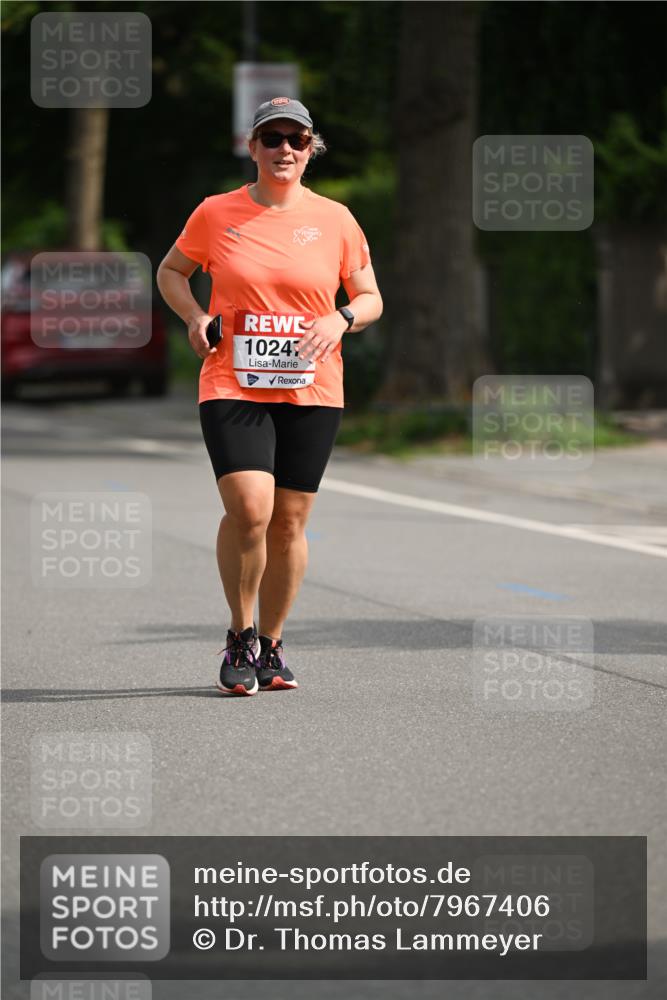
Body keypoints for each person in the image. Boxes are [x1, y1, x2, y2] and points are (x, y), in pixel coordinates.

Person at [157, 97, 383, 696]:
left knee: (288, 523)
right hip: (231, 378)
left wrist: (342, 320)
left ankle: (273, 643)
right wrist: (194, 315)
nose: (285, 149)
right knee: (250, 509)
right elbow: (171, 272)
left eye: (297, 139)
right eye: (272, 138)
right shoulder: (215, 212)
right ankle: (241, 633)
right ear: (253, 148)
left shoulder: (337, 219)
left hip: (313, 385)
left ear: (311, 150)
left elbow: (370, 297)